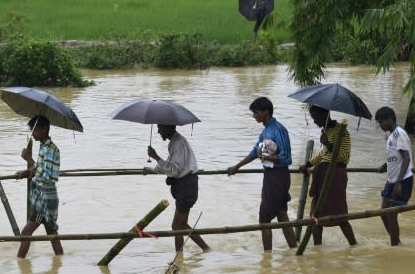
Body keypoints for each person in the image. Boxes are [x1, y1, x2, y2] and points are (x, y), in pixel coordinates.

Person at [227, 96, 298, 252]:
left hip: (279, 176)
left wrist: (266, 157)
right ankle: (295, 251)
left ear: (266, 112)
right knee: (281, 214)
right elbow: (254, 152)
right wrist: (237, 166)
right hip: (271, 176)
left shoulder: (279, 130)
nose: (254, 116)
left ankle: (267, 257)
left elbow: (287, 158)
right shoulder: (265, 131)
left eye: (256, 113)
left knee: (264, 218)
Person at [144, 123, 210, 252]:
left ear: (168, 127)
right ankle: (205, 249)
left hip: (186, 187)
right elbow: (170, 165)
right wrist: (152, 169)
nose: (158, 132)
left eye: (160, 128)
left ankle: (179, 255)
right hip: (187, 187)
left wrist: (156, 157)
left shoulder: (177, 143)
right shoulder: (176, 141)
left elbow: (175, 170)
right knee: (182, 224)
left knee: (176, 226)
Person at [298, 106, 357, 246]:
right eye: (313, 118)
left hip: (335, 175)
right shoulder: (326, 131)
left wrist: (329, 144)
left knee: (340, 213)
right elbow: (323, 155)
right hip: (322, 175)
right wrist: (307, 164)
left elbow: (344, 157)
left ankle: (353, 245)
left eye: (316, 118)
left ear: (326, 115)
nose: (315, 121)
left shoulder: (342, 131)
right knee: (316, 214)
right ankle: (317, 248)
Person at [16, 115, 63, 259]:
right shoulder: (43, 147)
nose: (33, 133)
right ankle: (60, 261)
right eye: (32, 130)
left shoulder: (50, 149)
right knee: (52, 234)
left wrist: (29, 160)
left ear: (44, 130)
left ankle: (20, 264)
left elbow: (48, 176)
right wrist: (28, 171)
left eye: (35, 130)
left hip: (45, 200)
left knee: (26, 233)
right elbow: (40, 170)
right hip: (44, 198)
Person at [374, 106, 413, 246]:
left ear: (389, 119)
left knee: (391, 213)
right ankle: (396, 241)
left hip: (402, 180)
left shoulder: (399, 134)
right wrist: (385, 165)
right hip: (392, 179)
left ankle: (395, 246)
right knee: (383, 212)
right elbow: (395, 155)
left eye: (381, 122)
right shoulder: (391, 135)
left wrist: (399, 182)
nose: (380, 125)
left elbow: (406, 158)